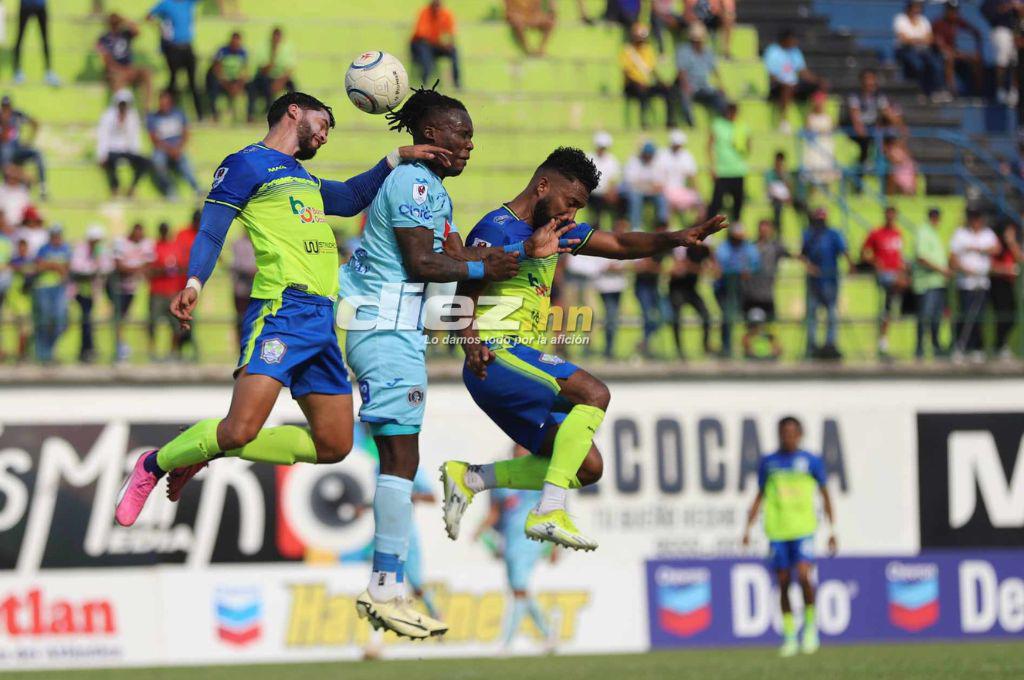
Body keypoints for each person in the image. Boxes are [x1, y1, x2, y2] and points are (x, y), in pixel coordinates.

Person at [114, 90, 493, 642]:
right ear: (294, 111)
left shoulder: (307, 182)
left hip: (322, 321)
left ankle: (209, 446)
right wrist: (195, 280)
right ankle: (156, 461)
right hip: (280, 310)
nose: (327, 131)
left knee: (334, 445)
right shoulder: (245, 164)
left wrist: (396, 160)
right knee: (241, 427)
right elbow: (215, 227)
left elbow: (348, 196)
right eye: (324, 120)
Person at [339, 87, 570, 639]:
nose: (469, 145)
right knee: (398, 455)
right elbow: (426, 261)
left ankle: (387, 587)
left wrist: (474, 314)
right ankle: (385, 587)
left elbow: (458, 258)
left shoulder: (433, 193)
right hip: (382, 326)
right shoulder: (414, 182)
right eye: (460, 134)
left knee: (398, 454)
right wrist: (487, 264)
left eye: (471, 136)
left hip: (395, 329)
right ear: (431, 135)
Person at [439, 146, 726, 556]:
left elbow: (621, 243)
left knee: (587, 467)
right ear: (542, 186)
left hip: (520, 361)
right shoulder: (498, 230)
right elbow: (462, 296)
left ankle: (471, 478)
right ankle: (549, 511)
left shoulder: (557, 230)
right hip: (494, 356)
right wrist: (470, 345)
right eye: (570, 202)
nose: (571, 214)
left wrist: (676, 238)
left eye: (578, 207)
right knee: (595, 393)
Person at [742, 416, 837, 658]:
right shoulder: (769, 462)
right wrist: (747, 528)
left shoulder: (811, 461)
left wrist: (832, 530)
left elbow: (825, 495)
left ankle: (810, 630)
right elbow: (760, 495)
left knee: (805, 576)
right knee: (783, 583)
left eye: (793, 431)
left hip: (804, 529)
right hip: (777, 531)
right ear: (779, 434)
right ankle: (789, 635)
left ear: (800, 434)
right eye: (784, 432)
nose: (788, 436)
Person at [474, 445, 556, 653]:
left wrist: (555, 543)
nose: (521, 453)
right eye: (518, 450)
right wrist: (480, 531)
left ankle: (507, 643)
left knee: (519, 590)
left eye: (524, 450)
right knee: (519, 591)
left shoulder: (540, 476)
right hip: (509, 541)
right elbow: (494, 512)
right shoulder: (503, 479)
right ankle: (548, 634)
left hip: (530, 540)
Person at [802, 208, 853, 359]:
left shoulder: (833, 234)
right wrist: (810, 267)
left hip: (830, 281)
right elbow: (802, 254)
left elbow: (844, 251)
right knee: (812, 315)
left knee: (831, 314)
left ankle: (830, 344)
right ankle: (812, 345)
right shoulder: (808, 234)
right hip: (814, 282)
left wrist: (851, 265)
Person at [950, 209, 1000, 362]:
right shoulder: (960, 234)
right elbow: (952, 258)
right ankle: (961, 346)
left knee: (979, 317)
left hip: (982, 282)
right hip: (966, 283)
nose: (976, 221)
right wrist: (965, 270)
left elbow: (997, 249)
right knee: (965, 315)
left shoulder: (988, 234)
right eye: (973, 218)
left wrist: (978, 249)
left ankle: (977, 348)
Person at [861, 206, 907, 359]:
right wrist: (875, 261)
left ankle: (900, 310)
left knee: (908, 283)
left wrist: (902, 268)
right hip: (885, 274)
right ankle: (898, 311)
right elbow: (864, 253)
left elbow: (899, 255)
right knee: (897, 285)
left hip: (896, 273)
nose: (890, 219)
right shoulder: (876, 233)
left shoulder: (898, 233)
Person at [846, 69, 903, 188]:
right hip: (860, 133)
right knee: (864, 151)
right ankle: (858, 184)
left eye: (872, 80)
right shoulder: (855, 97)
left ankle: (887, 185)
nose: (870, 83)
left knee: (889, 147)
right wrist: (862, 132)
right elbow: (855, 117)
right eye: (867, 80)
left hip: (873, 130)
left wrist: (900, 125)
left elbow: (887, 112)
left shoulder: (879, 96)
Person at [147, 0, 203, 118]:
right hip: (173, 47)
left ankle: (200, 114)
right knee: (173, 81)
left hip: (187, 46)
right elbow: (149, 16)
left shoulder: (188, 2)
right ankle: (168, 112)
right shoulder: (166, 4)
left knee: (193, 82)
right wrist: (161, 28)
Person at [762, 29, 825, 132]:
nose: (794, 43)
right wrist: (785, 83)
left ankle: (813, 120)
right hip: (777, 86)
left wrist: (817, 80)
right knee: (787, 87)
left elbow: (803, 71)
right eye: (792, 40)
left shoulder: (795, 51)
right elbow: (770, 75)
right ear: (785, 40)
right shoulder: (773, 51)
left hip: (794, 85)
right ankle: (784, 121)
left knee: (819, 86)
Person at [109, 222, 154, 362]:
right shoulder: (120, 242)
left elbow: (148, 264)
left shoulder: (146, 243)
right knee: (118, 317)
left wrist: (133, 269)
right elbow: (119, 266)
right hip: (118, 287)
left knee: (124, 317)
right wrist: (136, 270)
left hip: (133, 288)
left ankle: (124, 346)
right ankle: (119, 346)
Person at [714, 221, 759, 358]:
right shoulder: (724, 247)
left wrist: (747, 270)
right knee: (727, 317)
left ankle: (748, 348)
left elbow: (755, 263)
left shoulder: (748, 247)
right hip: (725, 289)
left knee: (748, 317)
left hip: (743, 289)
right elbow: (721, 265)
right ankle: (726, 347)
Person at [621, 23, 679, 129]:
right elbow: (626, 72)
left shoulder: (648, 49)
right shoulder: (627, 51)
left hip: (646, 84)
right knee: (642, 92)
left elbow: (652, 69)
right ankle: (644, 121)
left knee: (668, 90)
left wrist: (662, 82)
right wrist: (637, 83)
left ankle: (670, 121)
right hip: (632, 85)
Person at [96, 89, 150, 198]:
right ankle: (115, 187)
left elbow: (135, 137)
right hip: (113, 149)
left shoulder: (132, 116)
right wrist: (101, 154)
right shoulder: (108, 116)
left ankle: (132, 187)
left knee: (145, 162)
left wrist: (135, 153)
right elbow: (103, 136)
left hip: (127, 149)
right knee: (110, 161)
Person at [70, 225, 111, 363]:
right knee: (86, 319)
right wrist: (93, 269)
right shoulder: (81, 249)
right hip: (79, 292)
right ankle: (87, 349)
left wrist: (94, 267)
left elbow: (106, 266)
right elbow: (78, 267)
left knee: (88, 320)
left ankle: (87, 348)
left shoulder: (101, 251)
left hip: (93, 292)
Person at [912, 208, 949, 360]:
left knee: (936, 317)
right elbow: (921, 257)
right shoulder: (924, 233)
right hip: (927, 283)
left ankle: (935, 346)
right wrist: (941, 269)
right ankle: (920, 349)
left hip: (937, 282)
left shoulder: (933, 233)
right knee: (925, 316)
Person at [147, 89, 199, 198]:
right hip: (162, 149)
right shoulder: (153, 117)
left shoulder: (179, 114)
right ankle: (170, 190)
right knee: (157, 161)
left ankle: (197, 188)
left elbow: (186, 133)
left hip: (178, 148)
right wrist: (170, 150)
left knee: (186, 164)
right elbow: (154, 139)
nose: (163, 105)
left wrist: (178, 148)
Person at [97, 12, 152, 111]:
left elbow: (137, 32)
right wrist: (121, 70)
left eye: (117, 22)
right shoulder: (104, 38)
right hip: (116, 71)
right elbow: (106, 60)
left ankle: (147, 108)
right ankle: (120, 114)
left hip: (128, 69)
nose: (115, 25)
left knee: (146, 72)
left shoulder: (125, 34)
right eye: (113, 23)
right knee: (117, 79)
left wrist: (125, 20)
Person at [893, 0, 947, 101]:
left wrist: (914, 40)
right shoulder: (900, 19)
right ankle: (919, 91)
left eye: (919, 7)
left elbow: (930, 39)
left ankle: (937, 91)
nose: (917, 9)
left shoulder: (923, 20)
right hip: (905, 50)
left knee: (935, 63)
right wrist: (920, 39)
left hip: (923, 51)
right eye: (915, 7)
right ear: (909, 7)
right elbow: (903, 39)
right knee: (918, 65)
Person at [675, 21, 727, 126]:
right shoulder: (683, 51)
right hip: (691, 86)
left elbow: (714, 70)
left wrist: (720, 85)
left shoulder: (708, 51)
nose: (697, 42)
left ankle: (724, 122)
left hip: (705, 86)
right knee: (684, 97)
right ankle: (691, 124)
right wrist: (685, 86)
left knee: (720, 98)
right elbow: (681, 72)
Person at [31, 225, 70, 363]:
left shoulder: (66, 248)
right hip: (43, 288)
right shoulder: (43, 248)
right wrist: (56, 266)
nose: (56, 238)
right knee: (45, 320)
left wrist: (52, 265)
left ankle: (50, 350)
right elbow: (39, 266)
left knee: (60, 322)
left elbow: (68, 267)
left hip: (59, 288)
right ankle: (43, 354)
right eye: (54, 235)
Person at [669, 241, 713, 359]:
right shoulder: (684, 249)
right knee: (676, 319)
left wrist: (691, 267)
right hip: (677, 289)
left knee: (706, 316)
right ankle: (678, 350)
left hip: (691, 289)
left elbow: (714, 270)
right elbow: (677, 270)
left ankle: (705, 346)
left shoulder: (705, 251)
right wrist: (696, 268)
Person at [706, 102, 748, 221]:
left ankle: (736, 227)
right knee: (716, 203)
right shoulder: (718, 124)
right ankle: (710, 229)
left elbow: (748, 145)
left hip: (738, 170)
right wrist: (712, 166)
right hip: (722, 170)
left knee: (738, 204)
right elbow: (709, 146)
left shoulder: (742, 126)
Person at [932, 0, 983, 97]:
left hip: (956, 52)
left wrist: (977, 50)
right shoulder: (938, 23)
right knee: (949, 57)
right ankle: (952, 91)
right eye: (951, 10)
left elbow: (976, 33)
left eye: (955, 10)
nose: (953, 13)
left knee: (976, 59)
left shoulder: (958, 21)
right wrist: (955, 53)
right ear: (946, 10)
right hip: (941, 54)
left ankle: (978, 92)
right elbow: (940, 45)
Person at [0, 96, 47, 200]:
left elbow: (35, 122)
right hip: (4, 149)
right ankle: (24, 180)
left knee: (38, 153)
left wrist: (29, 141)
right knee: (6, 158)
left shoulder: (17, 114)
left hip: (17, 148)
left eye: (8, 107)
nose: (6, 109)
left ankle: (43, 188)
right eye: (4, 107)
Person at [246, 27, 296, 123]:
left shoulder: (287, 49)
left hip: (280, 78)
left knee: (292, 85)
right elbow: (263, 70)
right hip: (265, 77)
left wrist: (280, 82)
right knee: (260, 83)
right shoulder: (263, 48)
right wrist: (273, 56)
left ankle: (293, 114)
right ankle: (262, 112)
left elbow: (289, 70)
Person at [149, 222, 182, 360]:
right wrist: (162, 270)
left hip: (172, 292)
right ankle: (152, 352)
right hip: (157, 292)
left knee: (175, 324)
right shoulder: (154, 247)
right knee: (153, 323)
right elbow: (149, 270)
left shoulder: (174, 247)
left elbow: (181, 267)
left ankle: (173, 351)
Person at [633, 228, 668, 359]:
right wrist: (653, 267)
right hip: (642, 287)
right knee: (648, 316)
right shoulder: (643, 247)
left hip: (655, 287)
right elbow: (640, 267)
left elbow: (664, 269)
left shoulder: (663, 251)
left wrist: (652, 267)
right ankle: (646, 344)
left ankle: (644, 342)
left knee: (665, 315)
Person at [990, 222, 1022, 360]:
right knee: (1002, 315)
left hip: (1009, 284)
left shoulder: (1010, 245)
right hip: (998, 284)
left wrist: (1012, 242)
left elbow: (1020, 258)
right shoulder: (995, 244)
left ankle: (1001, 344)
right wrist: (1006, 269)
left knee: (1012, 315)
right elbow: (990, 267)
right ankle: (999, 346)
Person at [410, 1, 461, 90]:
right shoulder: (425, 12)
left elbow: (451, 34)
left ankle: (457, 83)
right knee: (424, 50)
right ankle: (424, 81)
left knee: (454, 51)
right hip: (422, 44)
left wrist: (447, 44)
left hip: (437, 45)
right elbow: (422, 35)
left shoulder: (446, 14)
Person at [981, 0, 1023, 105]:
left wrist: (1019, 8)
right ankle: (1001, 90)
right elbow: (986, 11)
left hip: (1016, 31)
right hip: (1001, 30)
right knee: (1002, 61)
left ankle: (1014, 91)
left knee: (1016, 62)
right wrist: (1006, 7)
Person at [623, 141, 668, 231]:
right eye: (646, 154)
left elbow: (660, 184)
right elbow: (630, 182)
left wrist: (646, 186)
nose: (648, 156)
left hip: (651, 193)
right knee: (635, 197)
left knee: (662, 198)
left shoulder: (658, 163)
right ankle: (636, 226)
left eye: (650, 154)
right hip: (637, 192)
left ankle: (661, 226)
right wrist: (649, 186)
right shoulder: (634, 161)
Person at [658, 129, 702, 221]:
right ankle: (669, 229)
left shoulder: (686, 155)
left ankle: (701, 229)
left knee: (701, 204)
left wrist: (697, 191)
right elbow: (659, 176)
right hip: (666, 190)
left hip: (681, 190)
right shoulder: (662, 154)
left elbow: (692, 176)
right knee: (667, 202)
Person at [206, 32, 249, 123]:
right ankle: (214, 114)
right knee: (213, 87)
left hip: (235, 81)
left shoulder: (243, 53)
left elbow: (244, 72)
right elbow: (217, 71)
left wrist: (238, 85)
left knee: (251, 87)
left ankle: (248, 116)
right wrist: (227, 85)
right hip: (223, 81)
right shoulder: (222, 51)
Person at [14, 0, 59, 86]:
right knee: (20, 38)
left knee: (45, 39)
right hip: (26, 5)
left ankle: (49, 72)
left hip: (40, 5)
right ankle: (17, 71)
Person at [802, 90, 840, 189]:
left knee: (826, 176)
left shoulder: (828, 117)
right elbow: (808, 130)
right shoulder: (810, 117)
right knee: (813, 177)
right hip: (814, 150)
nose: (819, 105)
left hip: (826, 148)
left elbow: (832, 129)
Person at [587, 131, 621, 228]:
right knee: (598, 202)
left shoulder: (612, 160)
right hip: (592, 193)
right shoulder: (589, 157)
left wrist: (610, 191)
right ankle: (596, 227)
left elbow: (613, 179)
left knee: (619, 201)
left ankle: (615, 228)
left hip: (606, 193)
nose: (601, 149)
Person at [8, 237, 33, 361]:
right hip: (16, 302)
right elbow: (15, 267)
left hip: (26, 302)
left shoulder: (30, 261)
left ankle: (22, 354)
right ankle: (19, 355)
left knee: (26, 330)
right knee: (19, 330)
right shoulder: (15, 261)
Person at [230, 231, 256, 345]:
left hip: (257, 288)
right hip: (241, 289)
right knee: (241, 320)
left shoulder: (261, 241)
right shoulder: (238, 244)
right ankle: (240, 348)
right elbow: (234, 265)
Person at [764, 151, 795, 231]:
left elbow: (790, 187)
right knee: (777, 206)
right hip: (775, 198)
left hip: (784, 197)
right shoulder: (770, 173)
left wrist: (781, 174)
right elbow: (770, 189)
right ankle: (778, 231)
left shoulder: (785, 173)